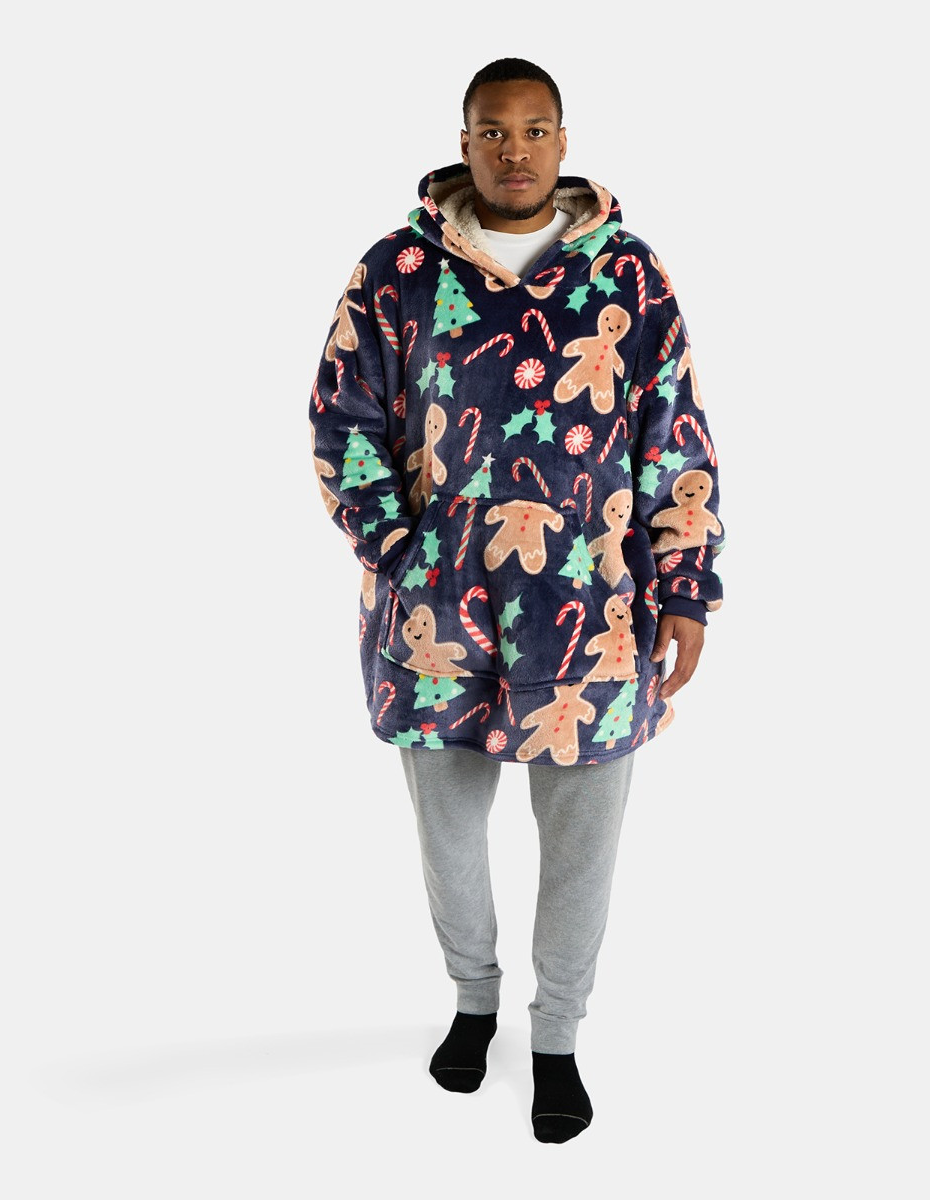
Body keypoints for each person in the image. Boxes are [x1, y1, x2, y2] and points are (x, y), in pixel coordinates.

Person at [308, 57, 724, 1142]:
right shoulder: (398, 271)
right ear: (464, 142)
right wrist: (401, 551)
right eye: (492, 130)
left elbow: (674, 433)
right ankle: (473, 999)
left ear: (564, 140)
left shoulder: (629, 276)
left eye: (535, 129)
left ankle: (557, 1036)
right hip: (436, 620)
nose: (514, 149)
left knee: (582, 844)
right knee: (449, 834)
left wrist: (685, 586)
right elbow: (343, 420)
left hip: (593, 616)